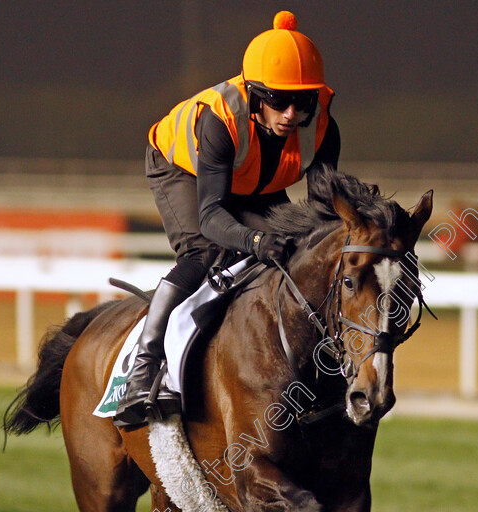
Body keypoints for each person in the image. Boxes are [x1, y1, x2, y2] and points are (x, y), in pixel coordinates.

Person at [115, 11, 340, 427]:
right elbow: (212, 217)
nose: (291, 114)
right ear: (254, 94)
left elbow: (321, 220)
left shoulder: (322, 129)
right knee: (205, 252)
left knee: (296, 248)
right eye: (278, 100)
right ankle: (142, 371)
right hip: (181, 167)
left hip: (252, 173)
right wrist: (255, 242)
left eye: (302, 102)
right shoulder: (220, 121)